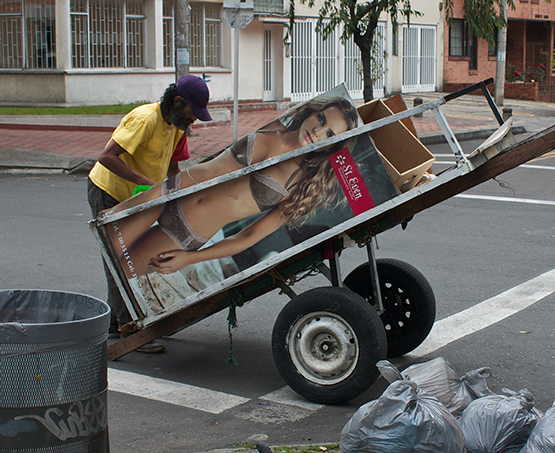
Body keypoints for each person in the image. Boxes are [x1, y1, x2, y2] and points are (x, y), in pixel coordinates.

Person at [106, 97, 359, 281]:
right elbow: (212, 167)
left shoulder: (300, 186)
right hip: (170, 193)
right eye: (322, 119)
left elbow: (246, 237)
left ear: (331, 147)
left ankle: (112, 328)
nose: (317, 131)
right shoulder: (275, 126)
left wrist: (190, 258)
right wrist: (154, 193)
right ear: (314, 111)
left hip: (184, 231)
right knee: (108, 246)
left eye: (329, 135)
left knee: (123, 275)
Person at [87, 75, 212, 352]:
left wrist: (178, 196)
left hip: (140, 198)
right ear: (178, 102)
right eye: (193, 113)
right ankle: (129, 328)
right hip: (109, 191)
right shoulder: (144, 119)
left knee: (130, 256)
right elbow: (106, 157)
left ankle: (115, 322)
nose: (194, 120)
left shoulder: (178, 128)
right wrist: (142, 180)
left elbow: (173, 167)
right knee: (121, 259)